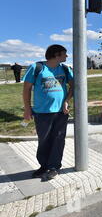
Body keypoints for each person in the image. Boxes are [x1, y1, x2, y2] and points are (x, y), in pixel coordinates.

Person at [22, 45, 74, 180]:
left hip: (61, 112)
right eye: (64, 54)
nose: (67, 56)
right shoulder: (36, 67)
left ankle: (54, 167)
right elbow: (26, 89)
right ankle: (44, 166)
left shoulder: (65, 69)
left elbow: (74, 86)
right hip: (42, 112)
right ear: (56, 55)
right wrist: (27, 109)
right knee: (44, 140)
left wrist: (66, 100)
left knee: (58, 139)